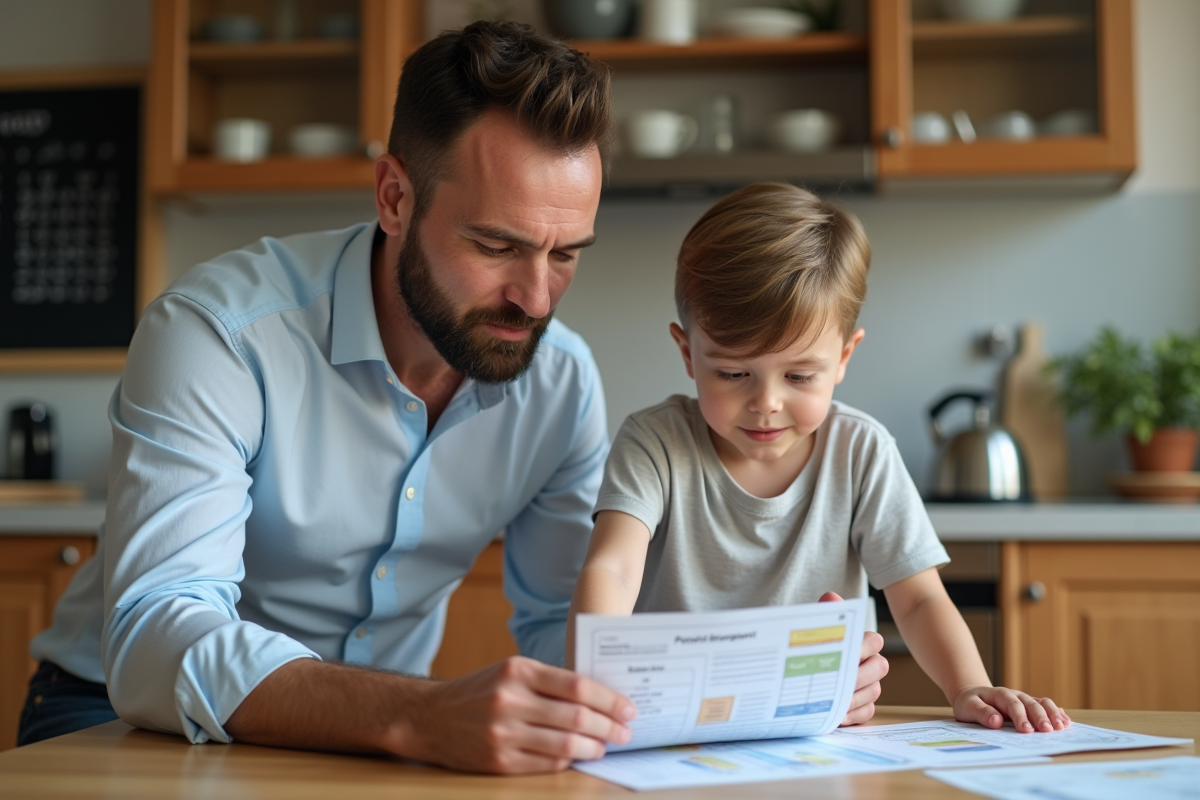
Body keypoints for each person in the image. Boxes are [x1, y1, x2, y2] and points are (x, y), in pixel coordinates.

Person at [18, 25, 887, 771]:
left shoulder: (558, 383)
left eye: (565, 254)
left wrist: (780, 674)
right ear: (395, 196)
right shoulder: (219, 335)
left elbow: (568, 632)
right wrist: (413, 715)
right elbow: (155, 635)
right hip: (120, 719)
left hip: (383, 740)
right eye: (497, 245)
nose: (536, 299)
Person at [568, 182, 1071, 734]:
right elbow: (611, 567)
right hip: (672, 725)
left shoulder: (862, 451)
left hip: (811, 731)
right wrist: (591, 690)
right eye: (733, 373)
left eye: (800, 376)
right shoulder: (653, 443)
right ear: (688, 352)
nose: (765, 403)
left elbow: (920, 598)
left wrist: (969, 685)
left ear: (843, 358)